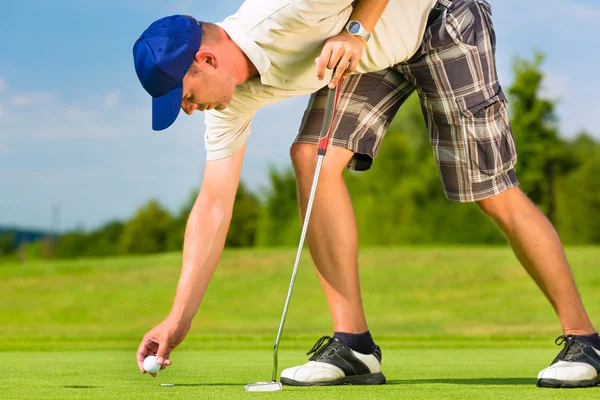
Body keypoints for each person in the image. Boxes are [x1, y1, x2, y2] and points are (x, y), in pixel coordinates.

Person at [132, 0, 600, 389]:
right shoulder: (231, 99)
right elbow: (214, 204)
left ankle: (585, 340)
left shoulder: (287, 9)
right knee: (313, 158)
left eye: (184, 97)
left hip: (437, 19)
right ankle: (354, 345)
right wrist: (178, 318)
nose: (190, 111)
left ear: (206, 60)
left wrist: (357, 30)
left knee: (490, 191)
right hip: (372, 51)